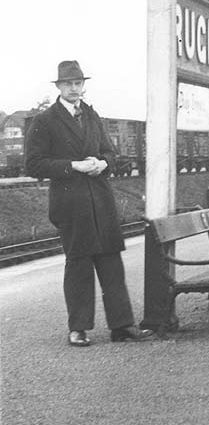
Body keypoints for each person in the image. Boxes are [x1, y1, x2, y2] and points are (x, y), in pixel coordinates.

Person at [25, 61, 153, 347]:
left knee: (111, 263)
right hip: (70, 204)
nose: (74, 88)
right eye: (68, 83)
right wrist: (74, 166)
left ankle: (122, 326)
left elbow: (111, 152)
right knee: (79, 265)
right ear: (58, 86)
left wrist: (103, 162)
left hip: (100, 200)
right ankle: (79, 328)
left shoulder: (93, 116)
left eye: (78, 83)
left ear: (84, 85)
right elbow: (33, 164)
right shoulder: (44, 121)